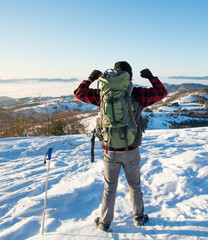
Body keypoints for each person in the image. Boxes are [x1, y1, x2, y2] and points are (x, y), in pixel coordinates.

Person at [74, 61, 168, 231]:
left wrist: (91, 78)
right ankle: (139, 217)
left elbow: (79, 93)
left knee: (109, 188)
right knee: (135, 185)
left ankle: (104, 222)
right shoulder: (137, 94)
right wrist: (150, 77)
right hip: (131, 150)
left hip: (110, 150)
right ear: (130, 76)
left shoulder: (103, 94)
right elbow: (162, 92)